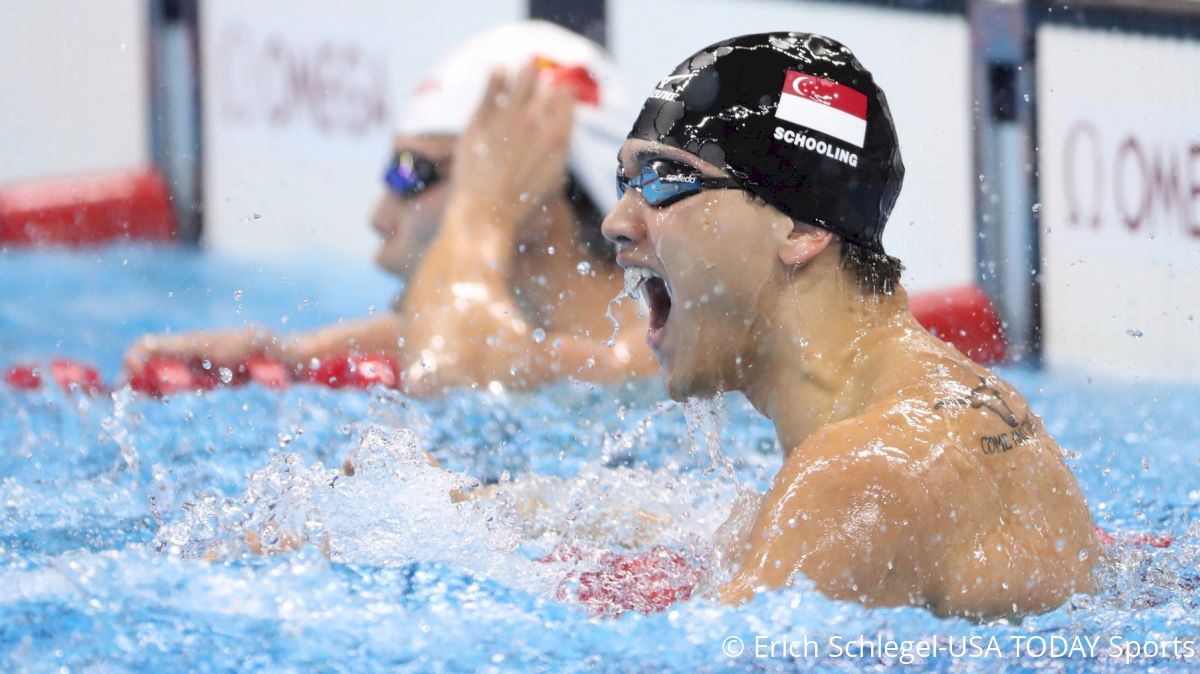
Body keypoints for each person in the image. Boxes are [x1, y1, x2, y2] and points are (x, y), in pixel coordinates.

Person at [598, 32, 1100, 618]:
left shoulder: (855, 483)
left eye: (665, 178)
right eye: (625, 181)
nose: (616, 222)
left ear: (803, 228)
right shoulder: (957, 409)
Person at [123, 21, 655, 396]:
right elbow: (460, 339)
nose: (379, 215)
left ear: (537, 206)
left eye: (412, 174)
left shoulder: (649, 363)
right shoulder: (524, 348)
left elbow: (450, 370)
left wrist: (480, 214)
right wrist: (283, 352)